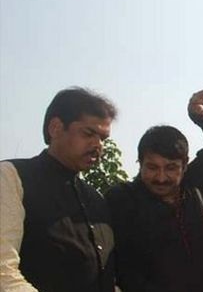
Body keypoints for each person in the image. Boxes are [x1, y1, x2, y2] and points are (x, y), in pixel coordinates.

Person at [105, 89, 203, 292]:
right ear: (140, 163)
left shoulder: (193, 187)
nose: (161, 177)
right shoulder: (121, 199)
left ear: (185, 165)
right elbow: (122, 270)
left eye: (171, 168)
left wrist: (202, 111)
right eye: (152, 167)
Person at [0, 87, 117, 292]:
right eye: (89, 133)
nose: (98, 145)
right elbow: (4, 273)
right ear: (55, 128)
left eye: (103, 139)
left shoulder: (96, 199)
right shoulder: (12, 177)